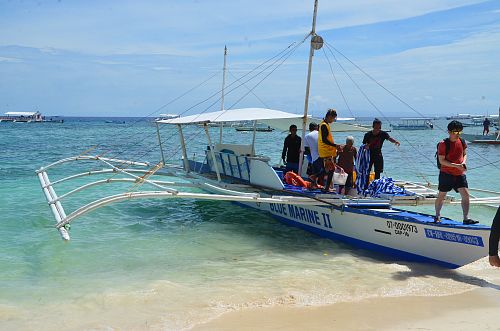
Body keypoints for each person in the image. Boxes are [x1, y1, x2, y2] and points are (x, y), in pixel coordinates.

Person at [434, 120, 478, 225]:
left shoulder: (462, 141)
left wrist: (463, 162)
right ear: (449, 132)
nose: (457, 134)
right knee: (442, 195)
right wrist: (456, 166)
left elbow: (464, 154)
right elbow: (442, 161)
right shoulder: (443, 144)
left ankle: (466, 218)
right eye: (455, 132)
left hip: (459, 174)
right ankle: (437, 216)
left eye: (459, 132)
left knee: (466, 195)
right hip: (446, 173)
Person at [362, 118, 400, 188]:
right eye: (376, 127)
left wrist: (395, 141)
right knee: (367, 171)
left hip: (378, 154)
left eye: (379, 127)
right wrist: (366, 146)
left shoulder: (383, 134)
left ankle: (376, 186)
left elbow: (389, 138)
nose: (377, 129)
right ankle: (365, 186)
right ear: (373, 126)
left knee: (377, 171)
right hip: (369, 155)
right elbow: (363, 146)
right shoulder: (368, 135)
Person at [318, 109, 342, 193]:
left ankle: (314, 178)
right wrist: (335, 145)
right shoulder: (324, 125)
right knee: (331, 169)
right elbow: (324, 140)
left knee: (328, 169)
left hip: (326, 150)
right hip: (325, 151)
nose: (333, 120)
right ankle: (326, 187)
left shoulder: (325, 124)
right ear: (329, 116)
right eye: (333, 118)